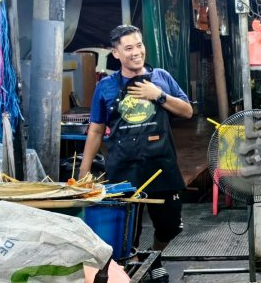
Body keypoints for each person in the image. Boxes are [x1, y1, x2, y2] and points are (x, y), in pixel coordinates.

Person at [79, 24, 193, 261]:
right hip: (123, 166)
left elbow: (187, 111)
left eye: (139, 45)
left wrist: (158, 95)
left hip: (160, 164)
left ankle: (153, 258)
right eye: (128, 48)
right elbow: (96, 130)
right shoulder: (106, 87)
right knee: (125, 229)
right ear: (116, 53)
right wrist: (84, 170)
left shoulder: (162, 78)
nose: (136, 52)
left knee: (170, 226)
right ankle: (131, 266)